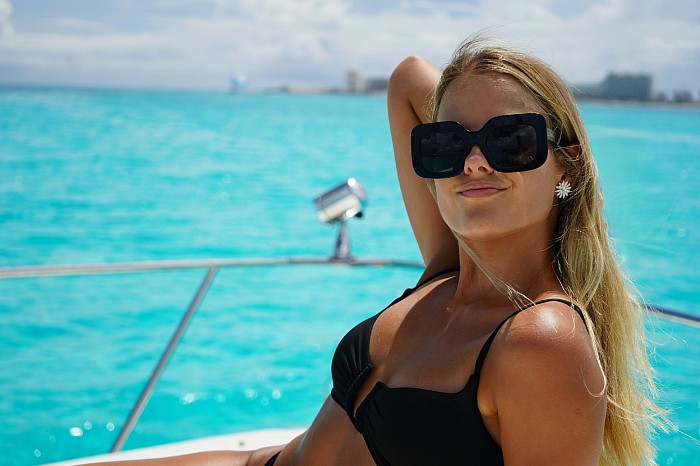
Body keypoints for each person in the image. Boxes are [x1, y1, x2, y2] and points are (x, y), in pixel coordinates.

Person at [89, 36, 664, 466]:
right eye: (447, 143)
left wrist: (492, 113)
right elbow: (407, 78)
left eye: (511, 140)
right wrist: (480, 98)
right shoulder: (446, 272)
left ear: (568, 165)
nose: (473, 162)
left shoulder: (542, 340)